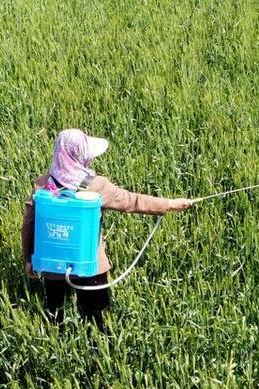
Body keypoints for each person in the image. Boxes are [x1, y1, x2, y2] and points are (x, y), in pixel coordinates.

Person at [21, 128, 193, 332]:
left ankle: (58, 344)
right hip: (90, 266)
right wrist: (170, 204)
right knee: (97, 319)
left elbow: (28, 225)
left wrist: (29, 259)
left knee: (55, 314)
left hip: (52, 267)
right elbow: (132, 201)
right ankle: (98, 353)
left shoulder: (42, 186)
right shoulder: (96, 186)